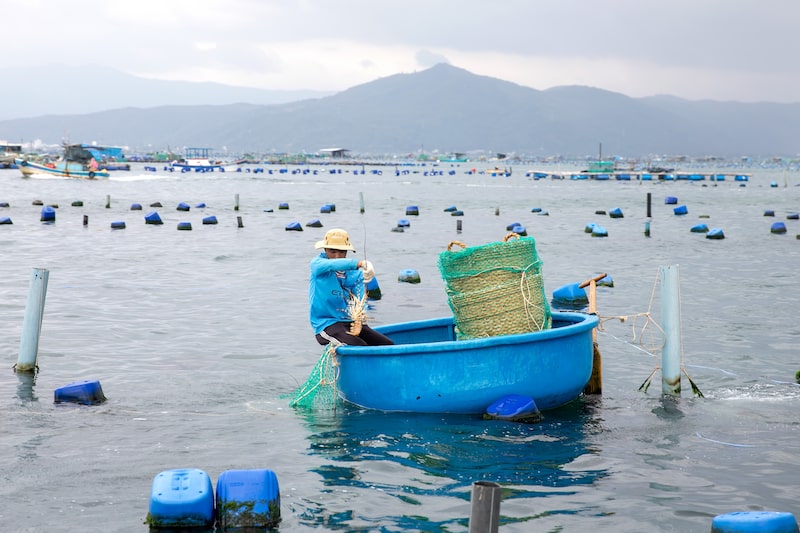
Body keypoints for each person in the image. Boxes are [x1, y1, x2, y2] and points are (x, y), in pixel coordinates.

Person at [309, 228, 394, 346]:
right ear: (325, 250)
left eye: (342, 252)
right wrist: (360, 263)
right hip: (326, 324)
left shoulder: (356, 274)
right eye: (332, 252)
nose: (337, 256)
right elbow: (332, 264)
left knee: (387, 344)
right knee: (359, 346)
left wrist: (359, 319)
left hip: (349, 322)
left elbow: (360, 299)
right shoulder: (318, 265)